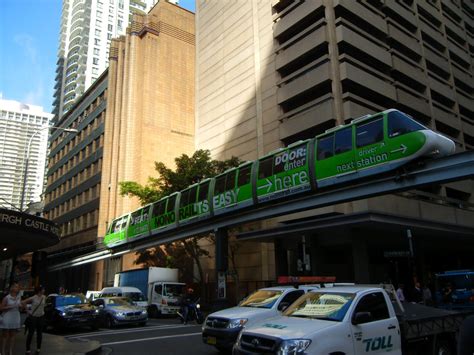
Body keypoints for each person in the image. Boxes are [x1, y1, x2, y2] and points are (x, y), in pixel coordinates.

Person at [22, 285, 46, 354]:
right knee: (31, 333)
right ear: (39, 290)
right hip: (33, 317)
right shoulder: (33, 298)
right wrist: (27, 311)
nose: (44, 290)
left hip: (41, 316)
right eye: (43, 289)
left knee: (40, 333)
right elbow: (23, 302)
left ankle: (38, 348)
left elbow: (43, 306)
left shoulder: (44, 297)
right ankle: (28, 349)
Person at [1, 282, 22, 355]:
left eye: (18, 287)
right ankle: (3, 351)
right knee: (5, 335)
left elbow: (20, 307)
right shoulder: (7, 297)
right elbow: (1, 308)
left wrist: (20, 307)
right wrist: (10, 307)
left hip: (15, 316)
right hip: (7, 316)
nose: (17, 288)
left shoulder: (19, 297)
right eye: (15, 287)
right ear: (12, 288)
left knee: (13, 335)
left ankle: (10, 351)